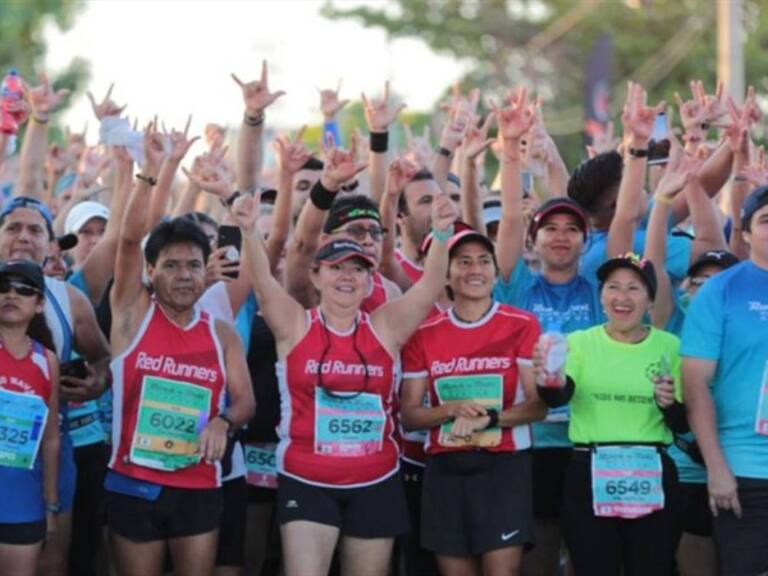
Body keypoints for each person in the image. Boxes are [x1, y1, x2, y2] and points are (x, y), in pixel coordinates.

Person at [232, 147, 457, 575]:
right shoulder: (295, 325)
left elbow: (429, 287)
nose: (347, 277)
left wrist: (443, 235)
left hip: (375, 480)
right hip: (307, 479)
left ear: (372, 278)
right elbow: (262, 280)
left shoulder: (386, 326)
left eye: (357, 269)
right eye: (335, 267)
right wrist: (247, 232)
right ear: (315, 276)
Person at [105, 122, 255, 576]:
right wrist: (150, 172)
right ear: (151, 271)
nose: (185, 275)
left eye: (193, 265)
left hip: (198, 485)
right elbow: (130, 240)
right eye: (171, 265)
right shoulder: (132, 316)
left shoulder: (221, 333)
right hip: (135, 484)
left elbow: (246, 400)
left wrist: (223, 420)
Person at [400, 225, 546, 576]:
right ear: (446, 275)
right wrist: (449, 411)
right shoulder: (424, 333)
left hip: (505, 468)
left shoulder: (521, 324)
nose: (474, 270)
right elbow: (409, 415)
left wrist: (490, 419)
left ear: (496, 273)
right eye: (463, 262)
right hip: (446, 471)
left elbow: (539, 407)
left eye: (483, 261)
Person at [536, 253, 686, 575]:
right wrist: (549, 377)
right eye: (613, 287)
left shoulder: (670, 346)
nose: (622, 297)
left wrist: (669, 404)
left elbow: (682, 422)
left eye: (634, 288)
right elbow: (557, 396)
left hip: (652, 468)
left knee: (652, 567)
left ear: (649, 299)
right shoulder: (579, 342)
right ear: (601, 296)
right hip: (589, 468)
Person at [682, 185, 768, 575]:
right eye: (766, 220)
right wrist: (716, 468)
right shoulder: (721, 289)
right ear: (746, 233)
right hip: (743, 472)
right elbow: (695, 384)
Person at [0, 261, 60, 576]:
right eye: (3, 287)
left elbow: (51, 439)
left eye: (24, 289)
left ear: (39, 305)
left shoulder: (47, 360)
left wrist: (51, 506)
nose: (11, 294)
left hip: (23, 502)